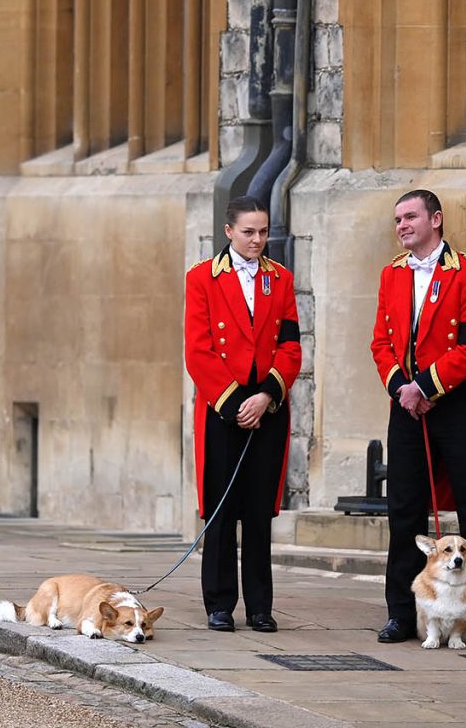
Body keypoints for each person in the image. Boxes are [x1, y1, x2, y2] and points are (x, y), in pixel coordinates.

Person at [369, 189, 466, 649]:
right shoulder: (391, 274)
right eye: (397, 219)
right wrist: (403, 390)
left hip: (459, 406)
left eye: (410, 216)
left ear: (435, 219)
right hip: (408, 408)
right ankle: (399, 615)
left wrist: (425, 387)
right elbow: (380, 344)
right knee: (403, 514)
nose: (402, 225)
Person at [184, 196, 302, 633]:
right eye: (249, 231)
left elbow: (291, 345)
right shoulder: (202, 279)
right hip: (222, 410)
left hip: (266, 408)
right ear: (228, 231)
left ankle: (259, 606)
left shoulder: (281, 280)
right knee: (220, 509)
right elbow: (198, 352)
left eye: (263, 231)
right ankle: (218, 603)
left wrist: (266, 395)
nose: (257, 240)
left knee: (257, 511)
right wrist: (236, 405)